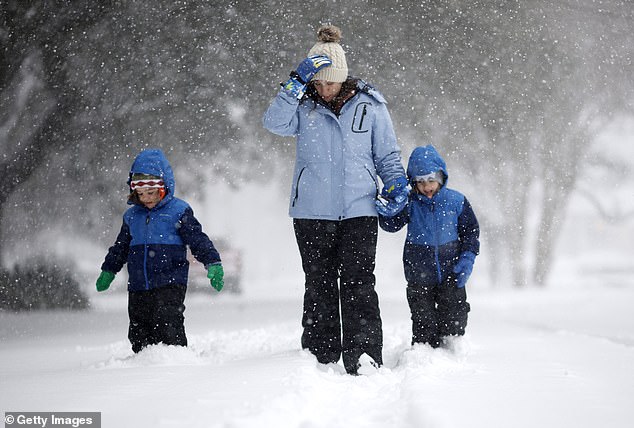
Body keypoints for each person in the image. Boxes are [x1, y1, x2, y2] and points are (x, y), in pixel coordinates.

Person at [262, 25, 407, 374]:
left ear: (342, 78)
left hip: (359, 210)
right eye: (319, 83)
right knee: (319, 282)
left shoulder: (370, 105)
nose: (324, 89)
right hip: (311, 212)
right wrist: (295, 84)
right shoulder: (302, 104)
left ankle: (364, 356)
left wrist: (396, 186)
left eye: (331, 83)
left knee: (359, 283)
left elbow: (386, 154)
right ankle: (320, 357)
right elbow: (273, 123)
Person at [95, 148, 224, 353]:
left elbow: (198, 239)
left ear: (164, 186)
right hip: (138, 283)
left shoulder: (178, 211)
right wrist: (108, 270)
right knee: (139, 325)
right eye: (141, 193)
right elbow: (120, 248)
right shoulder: (131, 217)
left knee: (168, 321)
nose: (146, 198)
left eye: (151, 192)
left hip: (170, 281)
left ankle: (175, 357)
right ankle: (143, 360)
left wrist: (213, 263)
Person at [376, 145, 480, 348]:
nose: (427, 186)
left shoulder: (456, 201)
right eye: (420, 181)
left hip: (452, 271)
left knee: (454, 315)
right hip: (419, 273)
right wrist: (389, 210)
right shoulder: (410, 203)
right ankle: (424, 352)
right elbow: (391, 226)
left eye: (431, 180)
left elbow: (471, 232)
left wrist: (467, 258)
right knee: (423, 320)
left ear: (441, 177)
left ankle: (452, 348)